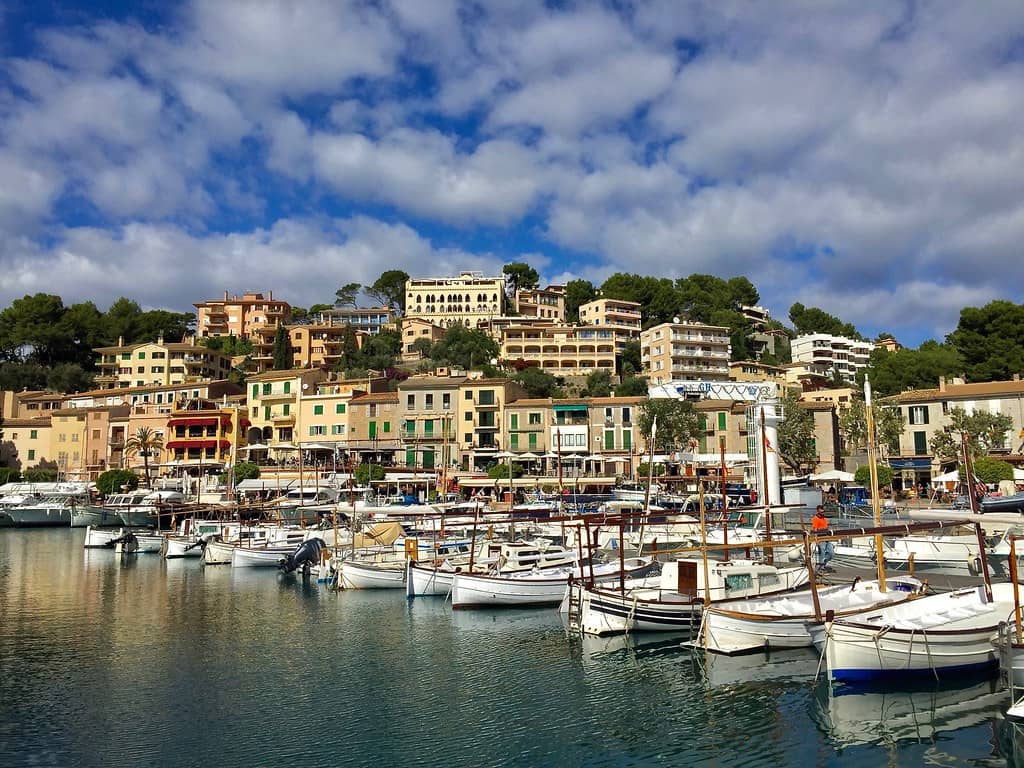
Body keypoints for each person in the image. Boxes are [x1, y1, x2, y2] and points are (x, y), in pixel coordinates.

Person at [812, 505, 834, 569]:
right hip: (821, 538)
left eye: (823, 512)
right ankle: (822, 567)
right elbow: (815, 530)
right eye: (821, 512)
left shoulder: (824, 518)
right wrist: (816, 540)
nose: (823, 513)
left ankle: (823, 561)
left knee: (831, 553)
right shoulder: (816, 519)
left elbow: (826, 527)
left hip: (827, 537)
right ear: (818, 511)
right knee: (822, 553)